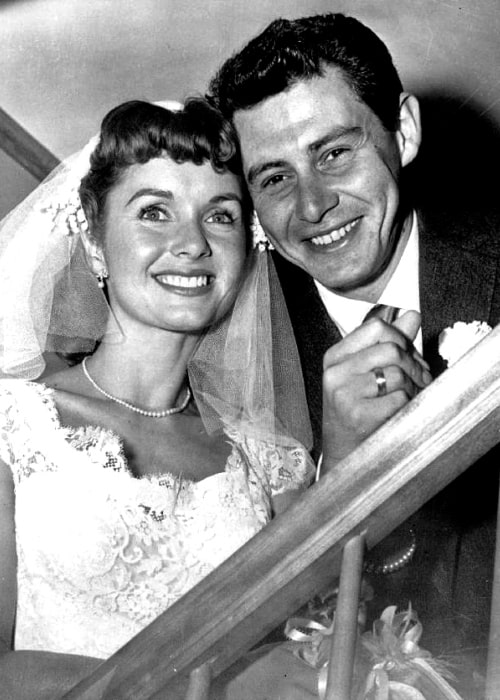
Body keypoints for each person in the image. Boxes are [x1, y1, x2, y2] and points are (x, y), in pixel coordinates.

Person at [209, 10, 500, 683]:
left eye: (334, 153)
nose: (312, 207)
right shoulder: (237, 355)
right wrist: (344, 474)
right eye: (274, 178)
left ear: (404, 130)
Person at [0, 98, 319, 699]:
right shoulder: (11, 426)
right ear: (95, 244)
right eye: (154, 212)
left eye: (220, 216)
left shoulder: (270, 462)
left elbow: (307, 649)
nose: (192, 242)